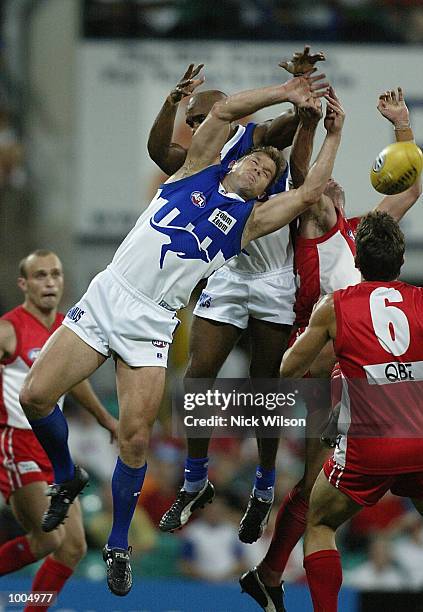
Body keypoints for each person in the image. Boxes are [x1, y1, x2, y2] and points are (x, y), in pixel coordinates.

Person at [19, 71, 342, 597]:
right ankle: (66, 474)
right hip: (108, 295)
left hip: (152, 322)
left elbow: (307, 193)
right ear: (232, 160)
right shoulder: (194, 171)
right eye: (255, 161)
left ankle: (119, 544)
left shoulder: (249, 222)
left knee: (136, 437)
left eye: (266, 172)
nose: (259, 168)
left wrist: (332, 132)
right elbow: (222, 112)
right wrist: (285, 92)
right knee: (34, 396)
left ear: (264, 192)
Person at [240, 86, 422, 611]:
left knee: (315, 491)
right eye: (326, 184)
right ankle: (264, 506)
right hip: (325, 358)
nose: (333, 183)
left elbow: (408, 194)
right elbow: (307, 180)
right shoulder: (316, 224)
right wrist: (322, 129)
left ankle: (270, 573)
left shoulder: (361, 232)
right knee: (316, 491)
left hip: (357, 363)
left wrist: (402, 128)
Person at [149, 48, 326, 544]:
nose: (200, 126)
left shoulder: (255, 139)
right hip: (229, 273)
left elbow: (293, 124)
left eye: (206, 117)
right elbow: (157, 152)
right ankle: (194, 478)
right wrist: (170, 103)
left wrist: (302, 89)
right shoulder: (198, 163)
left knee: (265, 385)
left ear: (229, 115)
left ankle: (265, 486)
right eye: (194, 120)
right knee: (198, 374)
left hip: (272, 276)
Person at [280, 211, 423, 612]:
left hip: (369, 447)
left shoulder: (334, 308)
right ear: (401, 260)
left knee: (320, 523)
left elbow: (289, 369)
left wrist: (300, 332)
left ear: (356, 261)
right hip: (420, 443)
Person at [0, 250, 117, 612]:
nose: (49, 282)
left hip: (54, 448)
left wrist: (104, 418)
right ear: (24, 284)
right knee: (49, 539)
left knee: (73, 547)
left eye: (55, 274)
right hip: (17, 442)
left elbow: (74, 381)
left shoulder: (67, 327)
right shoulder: (9, 329)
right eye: (40, 276)